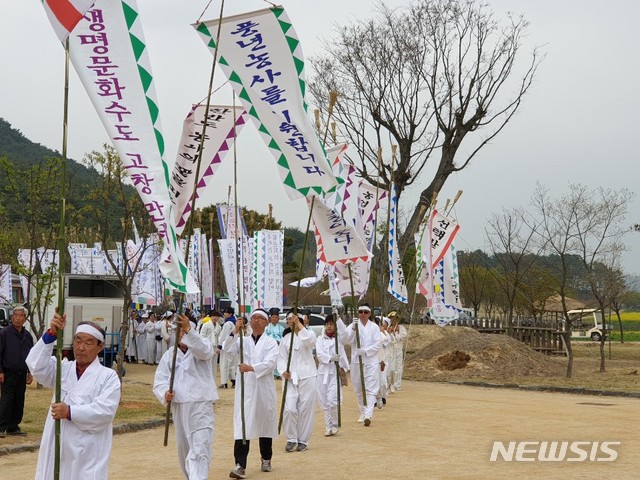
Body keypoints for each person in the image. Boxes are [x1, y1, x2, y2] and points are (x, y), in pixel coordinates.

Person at [26, 312, 121, 479]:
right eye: (78, 340)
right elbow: (36, 367)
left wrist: (70, 412)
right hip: (56, 448)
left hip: (86, 454)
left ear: (100, 346)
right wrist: (51, 334)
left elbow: (104, 412)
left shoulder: (108, 377)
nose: (81, 347)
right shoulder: (63, 368)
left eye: (88, 342)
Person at [154, 313, 218, 480]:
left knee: (200, 447)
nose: (181, 335)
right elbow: (160, 381)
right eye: (179, 331)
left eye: (184, 331)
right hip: (179, 406)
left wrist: (189, 329)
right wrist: (164, 393)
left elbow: (204, 351)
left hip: (200, 405)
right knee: (184, 450)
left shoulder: (203, 346)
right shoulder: (170, 355)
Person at [224, 309, 279, 479]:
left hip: (263, 388)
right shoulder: (243, 340)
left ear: (266, 322)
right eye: (253, 318)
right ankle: (240, 464)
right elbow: (227, 348)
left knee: (264, 423)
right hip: (246, 389)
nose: (256, 321)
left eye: (260, 318)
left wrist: (252, 368)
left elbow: (270, 363)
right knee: (243, 424)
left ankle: (266, 458)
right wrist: (234, 330)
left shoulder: (271, 343)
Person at [277, 311, 317, 452]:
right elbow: (281, 358)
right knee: (289, 408)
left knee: (305, 409)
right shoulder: (285, 339)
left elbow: (310, 342)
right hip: (290, 378)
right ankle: (291, 438)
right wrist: (283, 371)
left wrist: (300, 325)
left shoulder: (308, 334)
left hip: (308, 376)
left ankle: (303, 440)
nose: (291, 321)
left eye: (293, 318)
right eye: (288, 319)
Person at [343, 303, 381, 427]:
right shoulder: (352, 326)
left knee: (370, 389)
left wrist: (365, 350)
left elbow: (377, 345)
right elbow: (347, 340)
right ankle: (362, 412)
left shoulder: (374, 327)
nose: (363, 314)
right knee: (359, 389)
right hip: (356, 362)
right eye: (360, 312)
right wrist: (353, 329)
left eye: (365, 312)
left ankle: (368, 414)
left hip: (371, 362)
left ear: (369, 313)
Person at [0, 306, 34, 437]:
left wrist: (30, 373)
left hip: (22, 373)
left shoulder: (27, 336)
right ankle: (1, 426)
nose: (17, 318)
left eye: (21, 316)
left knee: (19, 400)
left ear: (25, 319)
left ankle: (13, 427)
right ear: (12, 317)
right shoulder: (4, 333)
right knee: (6, 399)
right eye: (15, 315)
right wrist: (0, 371)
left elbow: (31, 356)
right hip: (8, 372)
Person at [315, 313, 349, 437]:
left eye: (331, 324)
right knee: (324, 402)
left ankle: (335, 423)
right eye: (327, 324)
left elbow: (345, 334)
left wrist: (339, 318)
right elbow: (319, 354)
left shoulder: (339, 339)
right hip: (323, 372)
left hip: (335, 372)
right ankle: (328, 425)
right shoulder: (320, 339)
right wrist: (330, 358)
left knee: (333, 400)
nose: (329, 327)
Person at [198, 310, 222, 381]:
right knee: (207, 364)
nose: (215, 318)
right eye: (213, 316)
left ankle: (213, 381)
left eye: (217, 316)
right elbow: (202, 335)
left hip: (215, 347)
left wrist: (219, 347)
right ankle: (206, 380)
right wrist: (203, 346)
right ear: (211, 317)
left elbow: (220, 337)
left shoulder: (219, 326)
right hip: (207, 346)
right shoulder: (206, 325)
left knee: (214, 366)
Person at [387, 311, 408, 392]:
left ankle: (397, 385)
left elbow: (402, 337)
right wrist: (390, 332)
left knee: (398, 367)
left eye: (395, 318)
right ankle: (389, 384)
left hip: (398, 349)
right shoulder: (387, 327)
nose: (393, 320)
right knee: (390, 367)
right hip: (390, 349)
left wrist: (395, 333)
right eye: (391, 318)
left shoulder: (401, 328)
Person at [218, 306, 238, 389]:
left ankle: (224, 382)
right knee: (232, 364)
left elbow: (223, 336)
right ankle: (233, 380)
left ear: (230, 314)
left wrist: (219, 345)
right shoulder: (235, 322)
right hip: (233, 345)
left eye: (225, 312)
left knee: (224, 364)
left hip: (226, 345)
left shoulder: (228, 324)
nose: (224, 314)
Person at [265, 307, 284, 379]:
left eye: (276, 317)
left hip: (278, 346)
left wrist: (279, 341)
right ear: (270, 318)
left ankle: (278, 373)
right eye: (273, 317)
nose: (274, 319)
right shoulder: (266, 328)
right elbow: (265, 337)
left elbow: (283, 338)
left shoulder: (281, 328)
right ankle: (270, 373)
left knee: (278, 359)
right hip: (269, 346)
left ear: (278, 318)